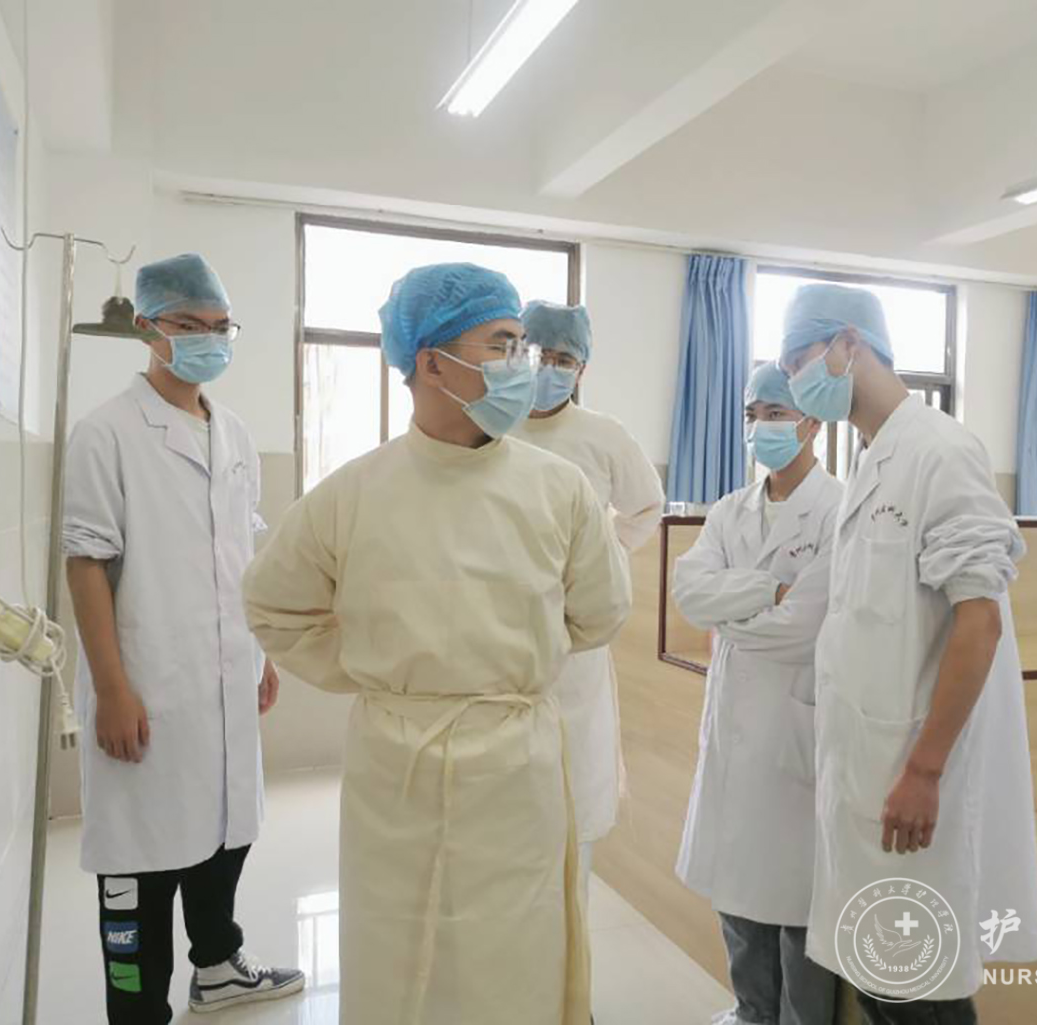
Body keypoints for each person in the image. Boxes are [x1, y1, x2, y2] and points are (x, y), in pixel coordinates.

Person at [241, 263, 632, 1025]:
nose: (522, 365)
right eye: (502, 343)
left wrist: (495, 660)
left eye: (523, 345)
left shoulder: (560, 489)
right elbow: (272, 604)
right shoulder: (352, 492)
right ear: (431, 362)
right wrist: (376, 671)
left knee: (513, 956)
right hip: (398, 767)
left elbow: (601, 613)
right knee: (399, 950)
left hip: (516, 764)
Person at [777, 284, 1037, 1024]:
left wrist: (925, 769)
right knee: (884, 976)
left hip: (912, 776)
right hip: (869, 767)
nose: (795, 382)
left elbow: (979, 622)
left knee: (916, 986)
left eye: (799, 362)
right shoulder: (872, 459)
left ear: (849, 344)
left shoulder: (941, 450)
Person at [63, 253, 304, 1024]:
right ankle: (138, 1010)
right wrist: (111, 688)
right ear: (147, 329)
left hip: (226, 675)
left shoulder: (232, 432)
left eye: (220, 326)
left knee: (227, 829)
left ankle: (219, 965)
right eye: (189, 325)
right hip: (146, 683)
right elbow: (86, 563)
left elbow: (241, 553)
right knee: (142, 860)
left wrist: (260, 649)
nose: (209, 339)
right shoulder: (105, 432)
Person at [672, 362, 843, 1025]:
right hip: (736, 724)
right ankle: (751, 1011)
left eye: (776, 413)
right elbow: (690, 592)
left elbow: (806, 625)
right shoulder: (729, 510)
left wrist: (731, 613)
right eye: (752, 414)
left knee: (798, 897)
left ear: (812, 421)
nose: (761, 426)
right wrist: (767, 590)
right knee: (737, 880)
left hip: (796, 725)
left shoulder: (838, 511)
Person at [511, 299, 665, 902]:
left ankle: (567, 952)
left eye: (563, 358)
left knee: (574, 794)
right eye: (537, 353)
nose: (549, 367)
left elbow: (647, 506)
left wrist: (602, 555)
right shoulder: (491, 425)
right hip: (500, 629)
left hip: (575, 638)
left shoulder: (603, 436)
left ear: (581, 369)